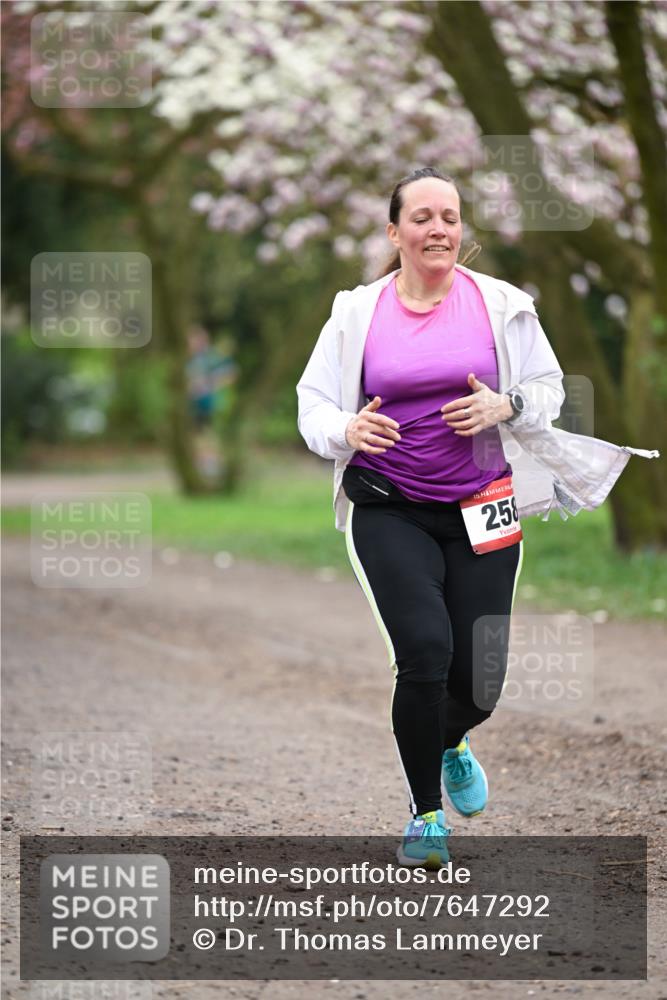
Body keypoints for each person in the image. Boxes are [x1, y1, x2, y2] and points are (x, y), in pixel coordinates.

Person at [296, 166, 658, 868]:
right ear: (394, 230)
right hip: (391, 507)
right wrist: (346, 431)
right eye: (423, 216)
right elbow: (312, 405)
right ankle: (425, 816)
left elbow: (548, 387)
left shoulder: (500, 304)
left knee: (478, 687)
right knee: (425, 654)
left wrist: (506, 405)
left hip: (483, 505)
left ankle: (453, 738)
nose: (438, 228)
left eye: (450, 217)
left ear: (461, 231)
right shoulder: (356, 313)